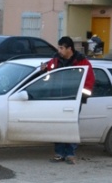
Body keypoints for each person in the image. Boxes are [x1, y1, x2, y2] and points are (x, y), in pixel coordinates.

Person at [40, 36, 95, 165]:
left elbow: (89, 81)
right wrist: (43, 71)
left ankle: (70, 154)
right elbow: (46, 77)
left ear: (69, 48)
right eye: (59, 47)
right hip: (57, 100)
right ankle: (59, 153)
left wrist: (80, 97)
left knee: (71, 126)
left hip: (73, 101)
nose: (59, 50)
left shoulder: (82, 63)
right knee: (58, 126)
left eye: (61, 48)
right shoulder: (55, 61)